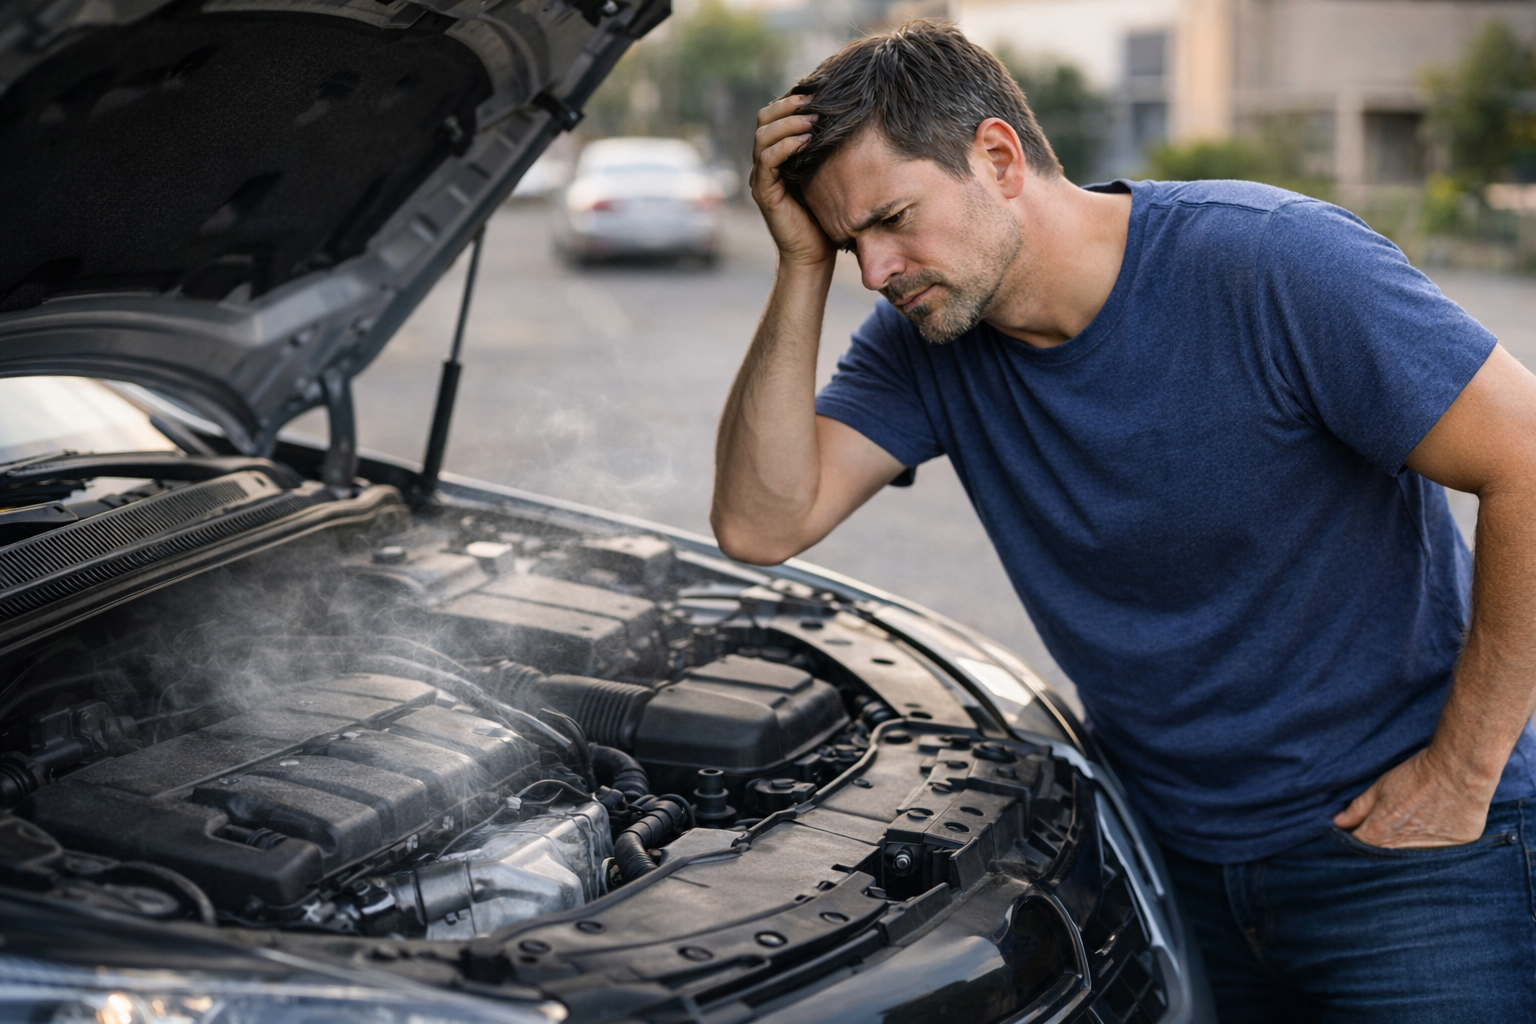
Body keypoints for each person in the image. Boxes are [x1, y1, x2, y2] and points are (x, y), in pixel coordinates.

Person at [710, 19, 1536, 1022]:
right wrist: (798, 263)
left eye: (891, 219)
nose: (876, 269)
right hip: (1167, 863)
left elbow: (1525, 460)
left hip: (1406, 862)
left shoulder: (1272, 264)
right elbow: (760, 523)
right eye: (852, 243)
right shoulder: (924, 338)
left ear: (999, 157)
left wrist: (1462, 771)